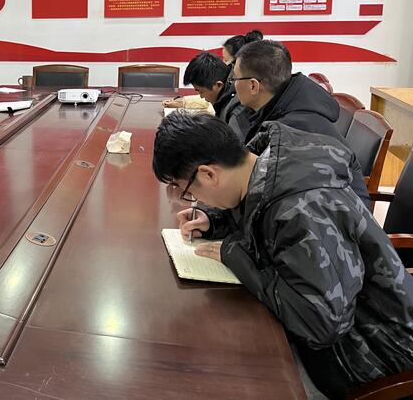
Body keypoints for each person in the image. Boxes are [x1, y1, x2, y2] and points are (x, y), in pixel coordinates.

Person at [153, 112, 413, 399]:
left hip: (370, 355)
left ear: (208, 174)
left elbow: (320, 326)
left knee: (218, 377)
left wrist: (238, 257)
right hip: (343, 328)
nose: (196, 200)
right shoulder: (265, 164)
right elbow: (259, 210)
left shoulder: (302, 208)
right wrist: (215, 220)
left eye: (189, 192)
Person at [231, 39, 370, 206]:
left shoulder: (293, 130)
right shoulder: (286, 105)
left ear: (253, 86)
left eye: (235, 79)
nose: (233, 85)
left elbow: (258, 190)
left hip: (338, 217)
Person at [164, 52, 251, 141]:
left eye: (201, 91)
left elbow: (234, 148)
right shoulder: (227, 91)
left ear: (218, 85)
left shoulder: (236, 112)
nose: (201, 97)